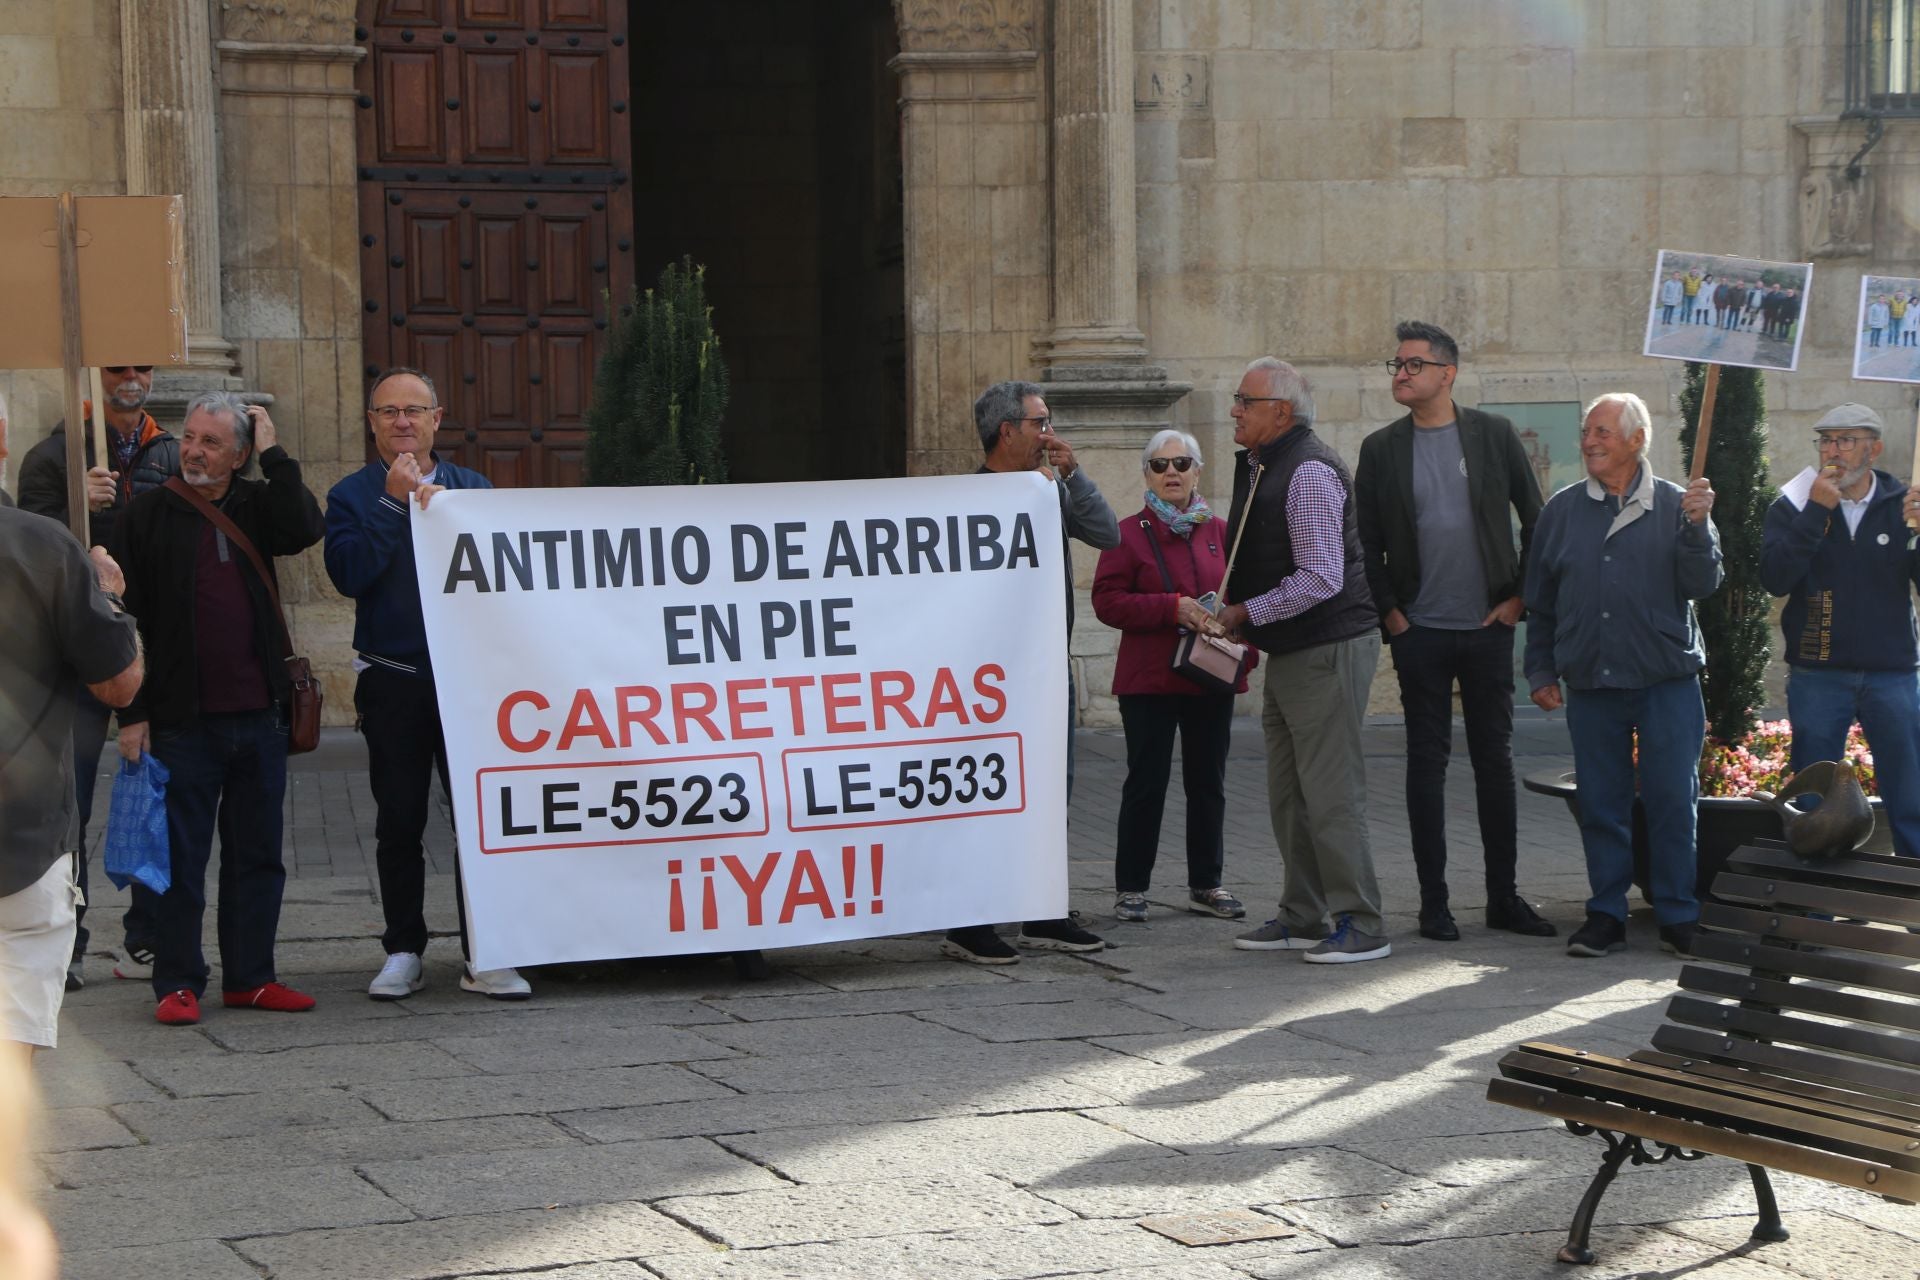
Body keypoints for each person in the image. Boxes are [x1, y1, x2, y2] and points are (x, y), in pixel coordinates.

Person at [116, 393, 323, 1025]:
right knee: (181, 859)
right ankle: (177, 980)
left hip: (259, 718)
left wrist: (275, 449)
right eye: (191, 438)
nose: (195, 451)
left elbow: (306, 525)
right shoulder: (149, 514)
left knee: (257, 855)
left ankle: (251, 977)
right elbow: (129, 624)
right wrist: (133, 714)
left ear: (238, 455)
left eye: (211, 442)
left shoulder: (259, 507)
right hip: (183, 722)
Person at [325, 368, 531, 1000]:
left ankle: (487, 951)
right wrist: (392, 504)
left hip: (468, 687)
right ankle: (403, 948)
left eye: (414, 410)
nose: (402, 422)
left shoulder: (472, 488)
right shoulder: (352, 495)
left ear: (437, 419)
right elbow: (350, 574)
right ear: (372, 423)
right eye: (387, 412)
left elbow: (506, 576)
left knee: (478, 821)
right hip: (394, 682)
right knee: (400, 821)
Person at [1354, 321, 1555, 943]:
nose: (1402, 374)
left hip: (1489, 626)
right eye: (1397, 365)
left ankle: (1503, 897)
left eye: (1414, 365)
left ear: (1448, 373)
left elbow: (1537, 520)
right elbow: (1363, 544)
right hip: (1421, 632)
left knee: (1494, 760)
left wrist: (1520, 597)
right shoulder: (1381, 448)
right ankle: (1433, 903)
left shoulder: (1492, 436)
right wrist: (1393, 616)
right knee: (1426, 763)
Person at [1524, 393, 1721, 959]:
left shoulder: (1680, 504)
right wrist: (1540, 667)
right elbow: (1542, 601)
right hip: (1593, 682)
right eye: (1587, 431)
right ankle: (1605, 915)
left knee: (1671, 802)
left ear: (1637, 440)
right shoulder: (1561, 511)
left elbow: (1702, 584)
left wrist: (1699, 528)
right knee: (1603, 805)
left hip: (1666, 681)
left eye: (1603, 432)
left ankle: (1679, 914)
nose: (1589, 441)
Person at [1217, 358, 1390, 964]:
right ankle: (1304, 914)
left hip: (1326, 645)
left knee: (1331, 792)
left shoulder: (1308, 471)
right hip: (1293, 645)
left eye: (1245, 399)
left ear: (1281, 412)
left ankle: (1362, 922)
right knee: (1290, 793)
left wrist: (1244, 613)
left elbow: (1319, 577)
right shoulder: (1267, 462)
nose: (1234, 409)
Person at [941, 379, 1117, 964]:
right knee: (983, 791)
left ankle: (1043, 911)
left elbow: (1107, 534)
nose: (1049, 434)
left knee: (1049, 792)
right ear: (1007, 430)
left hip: (1045, 670)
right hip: (985, 681)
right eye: (1040, 423)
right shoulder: (967, 499)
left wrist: (1075, 477)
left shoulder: (1048, 491)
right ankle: (972, 918)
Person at [14, 364, 174, 989]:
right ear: (93, 378)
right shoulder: (52, 455)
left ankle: (149, 936)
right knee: (71, 800)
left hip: (144, 645)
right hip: (74, 651)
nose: (129, 377)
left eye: (140, 367)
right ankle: (70, 936)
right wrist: (76, 501)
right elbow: (29, 544)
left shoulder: (168, 450)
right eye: (116, 368)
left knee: (151, 795)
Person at [1, 389, 143, 1060]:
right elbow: (117, 683)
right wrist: (110, 600)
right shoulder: (44, 547)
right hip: (22, 848)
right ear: (4, 443)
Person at [1092, 429, 1250, 925]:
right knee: (1147, 782)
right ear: (1147, 475)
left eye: (1182, 463)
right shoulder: (1126, 533)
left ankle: (1207, 882)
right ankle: (1131, 887)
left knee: (1209, 782)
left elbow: (1247, 601)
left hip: (1209, 676)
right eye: (1160, 466)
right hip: (1148, 681)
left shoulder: (1222, 532)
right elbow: (1107, 601)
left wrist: (1246, 649)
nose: (1172, 474)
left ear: (1198, 471)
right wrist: (1171, 608)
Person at [1760, 403, 1920, 858]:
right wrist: (1815, 512)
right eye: (1827, 440)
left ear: (1875, 449)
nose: (1834, 452)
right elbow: (1774, 577)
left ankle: (1914, 898)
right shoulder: (1794, 503)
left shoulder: (1903, 503)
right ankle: (1815, 909)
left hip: (1892, 674)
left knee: (1910, 795)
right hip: (1818, 674)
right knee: (1814, 796)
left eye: (1846, 440)